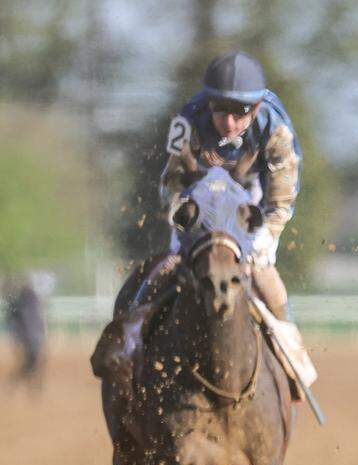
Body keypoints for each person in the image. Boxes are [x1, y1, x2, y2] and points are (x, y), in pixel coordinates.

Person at [93, 50, 302, 377]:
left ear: (258, 108)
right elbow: (172, 184)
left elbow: (282, 198)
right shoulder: (187, 121)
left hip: (251, 200)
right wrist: (185, 220)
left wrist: (262, 240)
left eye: (240, 112)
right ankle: (131, 344)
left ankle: (293, 363)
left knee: (266, 277)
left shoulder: (276, 130)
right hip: (200, 197)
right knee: (170, 268)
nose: (229, 122)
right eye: (220, 110)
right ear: (208, 103)